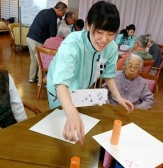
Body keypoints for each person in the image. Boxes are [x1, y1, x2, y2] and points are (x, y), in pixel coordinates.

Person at [47, 1, 134, 144]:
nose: (104, 39)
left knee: (81, 128)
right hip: (60, 90)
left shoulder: (111, 48)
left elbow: (108, 75)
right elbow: (61, 84)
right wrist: (71, 112)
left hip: (81, 90)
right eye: (99, 32)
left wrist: (119, 97)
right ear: (88, 25)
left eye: (111, 33)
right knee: (63, 131)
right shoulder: (72, 44)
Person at [26, 2, 67, 83]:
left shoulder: (44, 11)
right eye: (63, 13)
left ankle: (32, 78)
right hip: (37, 40)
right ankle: (40, 82)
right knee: (41, 62)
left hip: (29, 37)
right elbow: (53, 34)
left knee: (34, 60)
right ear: (59, 10)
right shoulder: (53, 16)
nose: (63, 15)